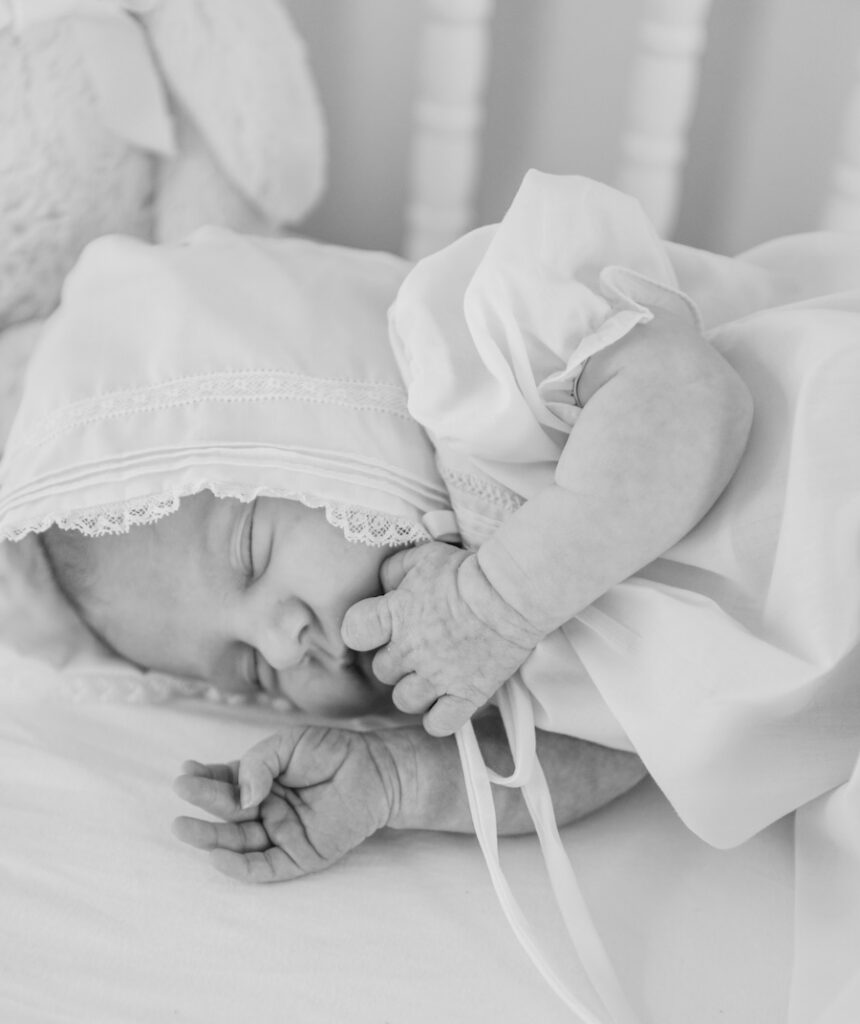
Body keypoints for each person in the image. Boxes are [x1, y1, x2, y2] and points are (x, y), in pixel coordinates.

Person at [2, 171, 858, 1018]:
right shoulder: (482, 661)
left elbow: (693, 401)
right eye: (248, 672)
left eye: (253, 552)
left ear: (309, 418)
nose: (278, 642)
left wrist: (498, 599)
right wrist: (400, 780)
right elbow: (626, 751)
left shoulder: (471, 355)